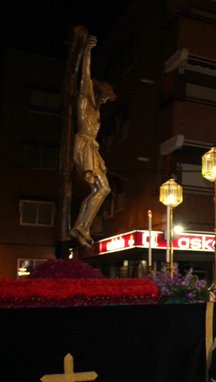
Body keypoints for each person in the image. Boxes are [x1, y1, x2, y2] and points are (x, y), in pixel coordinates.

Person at [70, 35, 116, 248]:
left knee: (102, 189)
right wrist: (87, 52)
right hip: (84, 145)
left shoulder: (96, 112)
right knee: (102, 188)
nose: (105, 101)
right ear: (97, 93)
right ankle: (81, 226)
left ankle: (82, 226)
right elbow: (85, 77)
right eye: (104, 97)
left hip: (91, 147)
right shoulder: (85, 101)